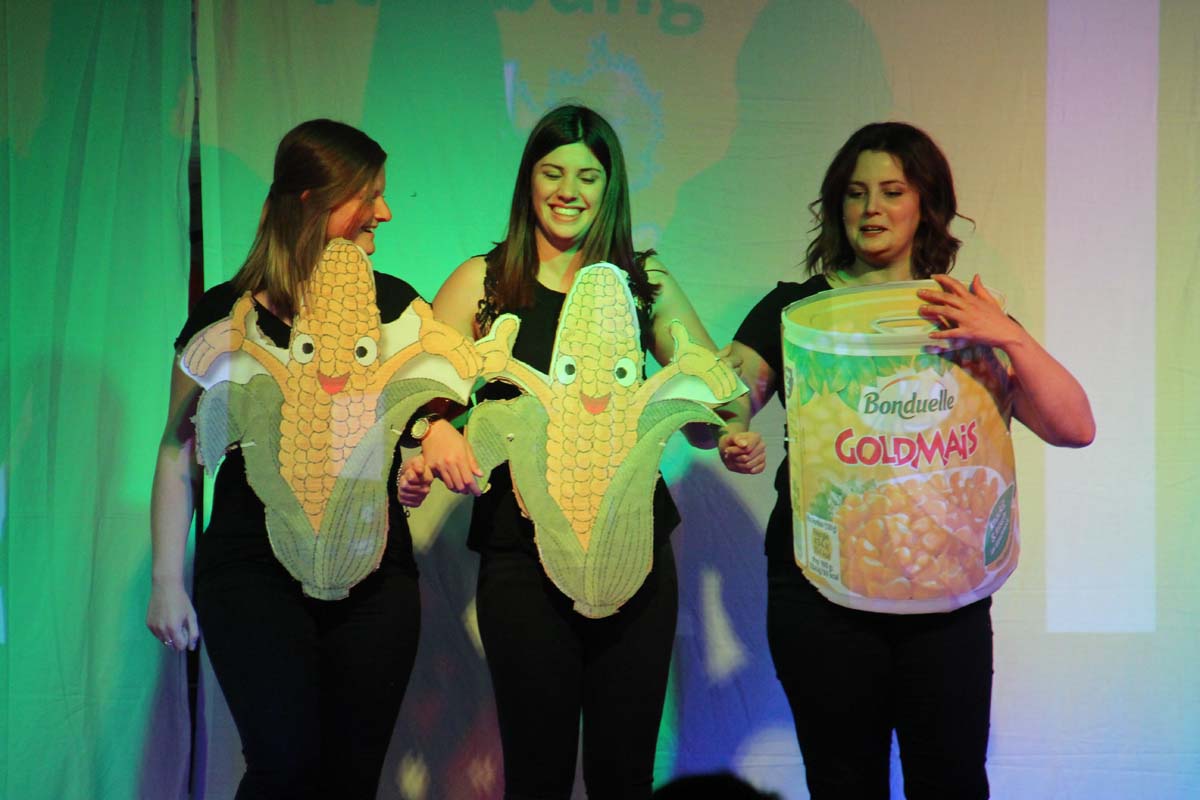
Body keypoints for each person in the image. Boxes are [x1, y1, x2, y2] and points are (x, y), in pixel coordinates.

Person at [718, 122, 1094, 799]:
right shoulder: (795, 311)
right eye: (856, 192)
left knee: (950, 782)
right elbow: (720, 406)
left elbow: (1075, 426)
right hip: (820, 592)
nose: (872, 208)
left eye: (892, 191)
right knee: (842, 785)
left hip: (945, 593)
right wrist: (730, 429)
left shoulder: (964, 313)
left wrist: (1009, 338)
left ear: (926, 204)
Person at [420, 104, 724, 799]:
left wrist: (717, 420)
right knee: (538, 773)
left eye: (587, 176)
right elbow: (420, 397)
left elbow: (709, 406)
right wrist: (434, 430)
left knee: (625, 775)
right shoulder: (484, 281)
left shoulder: (644, 282)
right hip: (521, 555)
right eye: (553, 172)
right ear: (528, 180)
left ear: (609, 187)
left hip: (631, 551)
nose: (568, 191)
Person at [145, 119, 433, 799]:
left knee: (350, 779)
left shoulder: (395, 306)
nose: (386, 211)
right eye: (369, 195)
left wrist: (427, 449)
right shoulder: (226, 315)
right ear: (311, 202)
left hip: (372, 574)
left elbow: (429, 413)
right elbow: (178, 447)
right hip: (253, 573)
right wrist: (165, 579)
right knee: (285, 768)